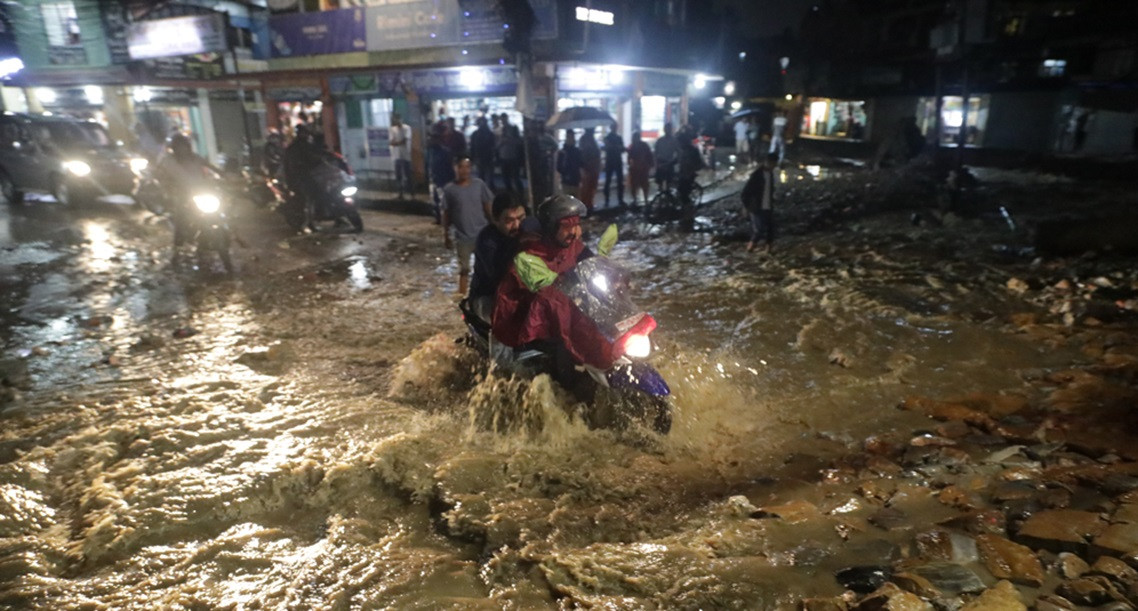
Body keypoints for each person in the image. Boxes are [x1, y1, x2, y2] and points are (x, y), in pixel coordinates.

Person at [492, 195, 642, 375]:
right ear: (550, 227)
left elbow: (590, 264)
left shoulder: (573, 245)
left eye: (576, 225)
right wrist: (559, 284)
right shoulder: (529, 254)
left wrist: (615, 280)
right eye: (566, 227)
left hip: (571, 309)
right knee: (562, 357)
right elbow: (543, 285)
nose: (574, 231)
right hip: (534, 319)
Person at [155, 133, 217, 265]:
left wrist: (224, 175)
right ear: (174, 148)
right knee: (181, 218)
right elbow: (160, 175)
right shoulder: (168, 161)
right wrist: (167, 187)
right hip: (182, 194)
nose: (182, 149)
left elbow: (210, 166)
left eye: (184, 146)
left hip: (201, 191)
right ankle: (177, 247)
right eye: (179, 146)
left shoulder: (195, 158)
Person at [468, 191, 529, 322]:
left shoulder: (530, 231)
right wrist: (519, 243)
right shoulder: (487, 240)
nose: (517, 225)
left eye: (521, 218)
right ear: (495, 220)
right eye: (509, 221)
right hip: (487, 296)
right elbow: (499, 274)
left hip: (521, 294)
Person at [442, 154, 494, 297]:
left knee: (486, 267)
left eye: (467, 167)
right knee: (464, 269)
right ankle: (461, 297)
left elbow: (487, 207)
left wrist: (494, 226)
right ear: (455, 168)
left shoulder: (479, 185)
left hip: (482, 234)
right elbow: (446, 214)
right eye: (461, 167)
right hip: (462, 237)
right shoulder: (449, 190)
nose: (465, 170)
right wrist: (446, 235)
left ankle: (485, 294)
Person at [283, 123, 324, 232]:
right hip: (302, 178)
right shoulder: (300, 147)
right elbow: (310, 160)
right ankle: (308, 223)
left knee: (310, 199)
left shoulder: (298, 146)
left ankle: (310, 222)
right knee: (308, 200)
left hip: (300, 178)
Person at [741, 153, 777, 253]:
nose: (772, 166)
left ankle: (769, 250)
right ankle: (750, 249)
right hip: (756, 207)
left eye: (774, 164)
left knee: (771, 228)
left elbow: (770, 190)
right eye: (771, 163)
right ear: (766, 162)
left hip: (768, 206)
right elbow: (745, 193)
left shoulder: (770, 174)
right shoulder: (757, 175)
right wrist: (746, 207)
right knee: (759, 230)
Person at [676, 126, 705, 229]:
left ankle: (689, 216)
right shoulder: (683, 150)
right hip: (682, 174)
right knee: (681, 194)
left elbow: (700, 164)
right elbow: (677, 160)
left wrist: (691, 171)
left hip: (688, 176)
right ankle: (686, 214)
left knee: (684, 195)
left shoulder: (692, 150)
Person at [427, 124, 456, 224]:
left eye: (434, 138)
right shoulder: (431, 152)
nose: (431, 140)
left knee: (443, 202)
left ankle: (446, 220)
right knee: (435, 201)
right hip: (434, 179)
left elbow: (450, 168)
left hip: (443, 180)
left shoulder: (445, 152)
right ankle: (438, 218)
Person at [626, 128, 653, 208]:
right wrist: (629, 165)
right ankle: (635, 200)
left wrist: (650, 165)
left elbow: (649, 155)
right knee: (634, 185)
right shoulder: (632, 146)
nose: (634, 139)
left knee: (644, 185)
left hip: (643, 168)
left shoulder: (643, 145)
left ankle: (645, 200)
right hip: (635, 169)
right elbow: (629, 157)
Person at [602, 122, 626, 208]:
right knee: (610, 181)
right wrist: (617, 147)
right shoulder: (608, 138)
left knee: (617, 181)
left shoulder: (615, 138)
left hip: (614, 161)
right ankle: (608, 200)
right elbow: (606, 148)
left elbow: (622, 149)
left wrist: (617, 147)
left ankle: (617, 199)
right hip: (612, 161)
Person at [389, 112, 413, 200]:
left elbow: (405, 140)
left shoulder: (407, 128)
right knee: (398, 176)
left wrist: (396, 143)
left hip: (406, 155)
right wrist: (397, 143)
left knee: (408, 175)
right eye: (395, 119)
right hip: (396, 156)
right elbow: (391, 142)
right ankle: (400, 193)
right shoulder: (392, 129)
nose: (397, 121)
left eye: (398, 119)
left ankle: (411, 193)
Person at [469, 116, 497, 190]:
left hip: (485, 157)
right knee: (485, 176)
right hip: (483, 157)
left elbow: (472, 147)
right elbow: (473, 147)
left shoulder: (476, 134)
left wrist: (473, 158)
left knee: (485, 176)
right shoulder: (488, 133)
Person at [497, 124, 524, 194]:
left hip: (513, 159)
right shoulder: (502, 137)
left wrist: (510, 140)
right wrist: (502, 142)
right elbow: (497, 147)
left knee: (516, 178)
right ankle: (510, 192)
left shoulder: (516, 138)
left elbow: (519, 145)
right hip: (504, 158)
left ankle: (520, 193)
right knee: (505, 178)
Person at [578, 127, 601, 210]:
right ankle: (585, 205)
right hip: (587, 167)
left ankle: (590, 203)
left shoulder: (592, 139)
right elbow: (583, 154)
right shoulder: (584, 139)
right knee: (586, 187)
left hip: (594, 167)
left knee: (592, 186)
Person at [556, 130, 583, 197]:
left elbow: (581, 163)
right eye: (570, 137)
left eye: (573, 137)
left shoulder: (576, 151)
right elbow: (559, 167)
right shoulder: (564, 152)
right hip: (569, 180)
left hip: (573, 179)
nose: (572, 139)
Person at [654, 123, 678, 193]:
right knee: (660, 183)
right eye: (667, 129)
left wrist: (675, 160)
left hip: (669, 162)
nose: (668, 130)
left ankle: (667, 196)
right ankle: (661, 196)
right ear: (664, 130)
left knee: (669, 183)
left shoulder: (674, 140)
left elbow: (678, 151)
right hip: (661, 162)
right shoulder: (660, 140)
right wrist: (656, 163)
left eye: (669, 129)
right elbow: (656, 152)